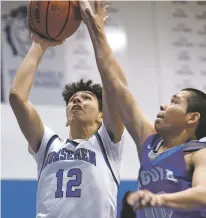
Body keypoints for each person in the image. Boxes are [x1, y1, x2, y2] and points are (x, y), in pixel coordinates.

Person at [78, 1, 206, 217]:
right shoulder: (150, 142)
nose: (163, 105)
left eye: (175, 102)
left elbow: (203, 194)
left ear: (192, 118)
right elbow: (117, 84)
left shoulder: (198, 153)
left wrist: (159, 199)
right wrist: (96, 29)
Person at [9, 21, 125, 218]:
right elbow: (17, 97)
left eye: (86, 98)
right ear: (66, 118)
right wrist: (39, 44)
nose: (77, 100)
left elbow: (117, 89)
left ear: (101, 115)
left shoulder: (107, 144)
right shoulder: (48, 145)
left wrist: (96, 31)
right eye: (72, 100)